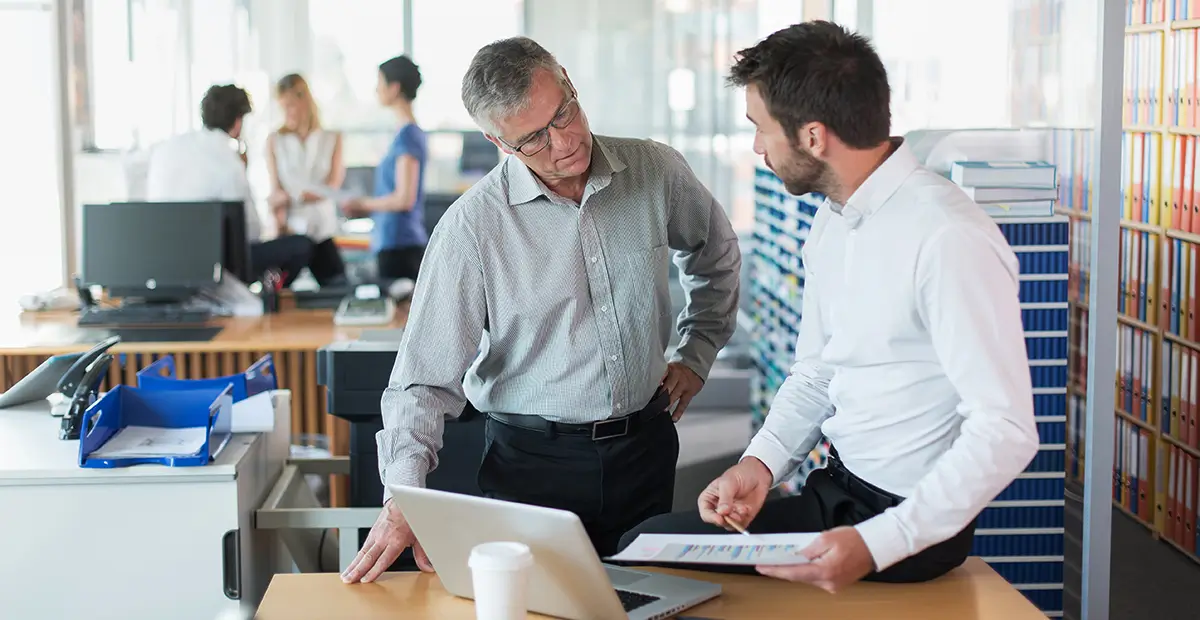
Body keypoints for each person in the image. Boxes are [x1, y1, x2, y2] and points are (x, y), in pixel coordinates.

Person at [617, 21, 1040, 591]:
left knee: (647, 559)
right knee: (642, 545)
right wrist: (759, 464)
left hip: (906, 527)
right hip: (838, 489)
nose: (757, 148)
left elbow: (1007, 429)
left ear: (813, 137)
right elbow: (818, 372)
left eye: (762, 129)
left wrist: (876, 544)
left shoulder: (948, 236)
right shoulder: (833, 218)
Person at [340, 36, 742, 584]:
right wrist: (403, 496)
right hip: (532, 465)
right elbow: (422, 381)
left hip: (644, 448)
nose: (567, 141)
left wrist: (696, 353)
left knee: (651, 600)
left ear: (569, 82)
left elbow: (715, 255)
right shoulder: (473, 227)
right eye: (534, 138)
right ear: (497, 142)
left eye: (565, 112)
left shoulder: (654, 171)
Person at [145, 84, 314, 287]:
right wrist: (245, 167)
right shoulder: (230, 163)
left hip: (162, 260)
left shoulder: (167, 148)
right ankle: (270, 296)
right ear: (238, 122)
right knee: (302, 246)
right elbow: (251, 232)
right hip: (216, 265)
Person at [340, 55, 428, 282]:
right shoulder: (402, 134)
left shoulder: (408, 135)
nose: (376, 89)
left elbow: (403, 199)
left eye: (379, 83)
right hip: (392, 241)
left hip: (401, 245)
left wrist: (363, 204)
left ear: (394, 88)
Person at [265, 73, 347, 286]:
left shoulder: (332, 138)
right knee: (278, 293)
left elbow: (333, 186)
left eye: (291, 105)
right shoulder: (275, 141)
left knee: (337, 287)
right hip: (291, 231)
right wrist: (279, 218)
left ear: (305, 101)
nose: (287, 112)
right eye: (283, 106)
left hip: (322, 229)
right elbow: (276, 190)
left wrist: (294, 198)